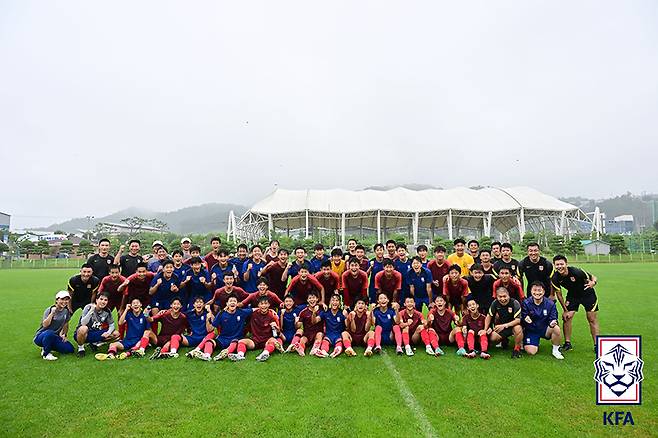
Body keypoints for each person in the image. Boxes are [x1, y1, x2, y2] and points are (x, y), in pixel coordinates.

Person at [550, 255, 599, 353]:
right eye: (557, 265)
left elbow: (593, 277)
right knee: (566, 318)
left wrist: (593, 282)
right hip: (573, 295)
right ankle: (567, 344)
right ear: (554, 265)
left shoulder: (576, 271)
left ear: (566, 264)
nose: (560, 266)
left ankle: (597, 345)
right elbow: (559, 295)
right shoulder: (555, 278)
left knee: (591, 319)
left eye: (562, 264)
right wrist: (565, 310)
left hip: (587, 294)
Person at [193, 294, 252, 361]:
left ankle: (225, 354)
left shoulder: (242, 312)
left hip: (236, 339)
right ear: (227, 303)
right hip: (223, 339)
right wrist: (208, 319)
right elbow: (211, 328)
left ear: (237, 303)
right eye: (230, 301)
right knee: (209, 342)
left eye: (234, 301)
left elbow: (254, 309)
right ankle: (207, 356)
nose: (232, 302)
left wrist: (264, 308)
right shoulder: (221, 314)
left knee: (235, 342)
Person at [229, 295, 283, 362]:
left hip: (267, 340)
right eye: (262, 304)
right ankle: (240, 355)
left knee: (273, 341)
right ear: (258, 305)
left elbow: (277, 333)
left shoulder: (272, 316)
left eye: (266, 304)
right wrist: (227, 308)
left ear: (269, 304)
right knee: (241, 342)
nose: (264, 306)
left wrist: (277, 329)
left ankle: (264, 354)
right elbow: (240, 311)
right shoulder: (253, 314)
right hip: (255, 340)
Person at [522, 281, 564, 359]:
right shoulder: (526, 303)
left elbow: (553, 317)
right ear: (531, 291)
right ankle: (526, 341)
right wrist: (525, 318)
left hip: (545, 329)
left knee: (556, 328)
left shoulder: (550, 303)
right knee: (531, 352)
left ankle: (556, 350)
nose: (537, 293)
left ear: (544, 291)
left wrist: (552, 322)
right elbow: (523, 316)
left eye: (539, 290)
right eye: (534, 290)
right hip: (532, 330)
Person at [74, 292, 119, 357]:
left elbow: (111, 325)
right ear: (96, 300)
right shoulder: (88, 307)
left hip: (95, 332)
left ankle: (94, 343)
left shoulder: (107, 311)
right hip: (82, 333)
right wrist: (91, 311)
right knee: (84, 328)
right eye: (101, 299)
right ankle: (81, 348)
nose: (103, 302)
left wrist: (108, 332)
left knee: (116, 333)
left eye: (105, 300)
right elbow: (83, 323)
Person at [34, 291, 74, 361]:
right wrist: (52, 313)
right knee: (50, 333)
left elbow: (66, 323)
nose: (64, 301)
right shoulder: (49, 310)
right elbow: (45, 325)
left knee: (69, 349)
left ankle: (47, 345)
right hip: (41, 336)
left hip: (54, 336)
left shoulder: (66, 311)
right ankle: (46, 353)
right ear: (56, 300)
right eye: (62, 299)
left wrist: (64, 334)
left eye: (66, 299)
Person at [485, 286, 523, 359]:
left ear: (508, 295)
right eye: (500, 297)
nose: (502, 299)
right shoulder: (495, 303)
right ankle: (504, 340)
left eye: (504, 296)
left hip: (513, 326)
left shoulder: (515, 303)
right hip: (502, 327)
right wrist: (485, 329)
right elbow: (489, 316)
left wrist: (505, 325)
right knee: (492, 338)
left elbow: (518, 320)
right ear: (497, 297)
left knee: (518, 328)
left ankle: (517, 349)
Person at [288, 291, 325, 356]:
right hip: (307, 334)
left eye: (313, 298)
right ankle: (300, 349)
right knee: (302, 339)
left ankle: (315, 349)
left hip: (317, 333)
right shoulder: (303, 312)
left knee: (319, 335)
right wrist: (296, 322)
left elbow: (314, 321)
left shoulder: (321, 311)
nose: (312, 300)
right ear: (307, 300)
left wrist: (314, 313)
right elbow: (298, 326)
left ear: (317, 299)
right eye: (310, 298)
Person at [317, 294, 350, 358]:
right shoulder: (326, 312)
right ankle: (323, 352)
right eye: (333, 300)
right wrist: (314, 312)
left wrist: (346, 317)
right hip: (328, 335)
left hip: (338, 335)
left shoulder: (342, 312)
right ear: (330, 302)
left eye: (337, 300)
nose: (335, 302)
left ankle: (336, 351)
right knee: (325, 342)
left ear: (340, 303)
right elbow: (315, 321)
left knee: (339, 342)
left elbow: (347, 326)